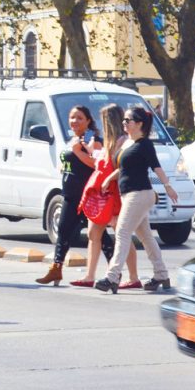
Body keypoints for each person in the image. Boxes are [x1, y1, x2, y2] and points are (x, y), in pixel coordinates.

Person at [95, 106, 178, 294]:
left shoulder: (144, 144)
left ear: (139, 123)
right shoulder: (127, 144)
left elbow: (156, 168)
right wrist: (109, 178)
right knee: (146, 237)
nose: (124, 123)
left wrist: (168, 186)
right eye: (123, 120)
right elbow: (124, 168)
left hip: (139, 194)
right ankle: (161, 274)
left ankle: (112, 277)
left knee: (122, 232)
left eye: (128, 120)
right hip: (130, 195)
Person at [70, 104, 140, 289]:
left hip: (115, 193)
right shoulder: (109, 141)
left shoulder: (122, 141)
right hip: (102, 193)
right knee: (94, 233)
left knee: (121, 235)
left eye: (104, 120)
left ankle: (133, 277)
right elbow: (100, 164)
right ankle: (89, 275)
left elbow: (115, 167)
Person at [36, 106, 101, 286]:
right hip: (70, 194)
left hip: (86, 195)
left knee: (99, 235)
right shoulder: (73, 139)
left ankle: (114, 272)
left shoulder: (92, 139)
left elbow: (96, 163)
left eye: (80, 118)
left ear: (88, 120)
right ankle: (56, 270)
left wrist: (78, 152)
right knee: (63, 231)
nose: (75, 121)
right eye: (72, 117)